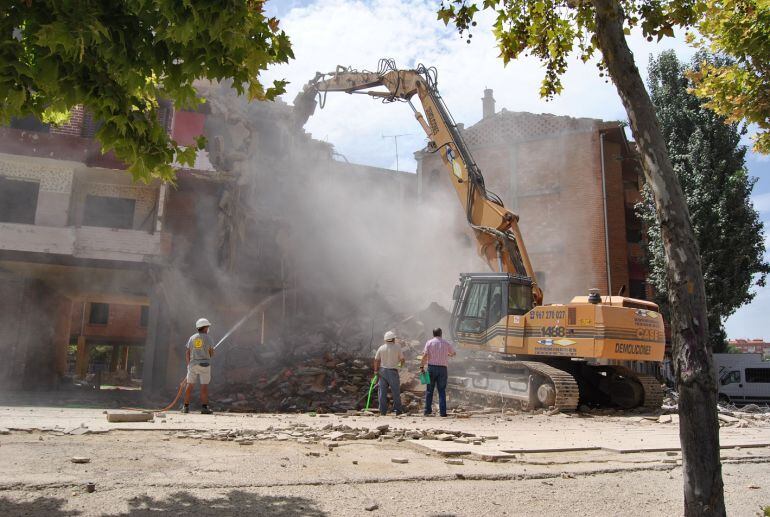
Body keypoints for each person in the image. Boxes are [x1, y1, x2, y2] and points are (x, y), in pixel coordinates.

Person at [421, 327, 456, 417]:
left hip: (431, 368)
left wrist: (421, 366)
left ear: (433, 334)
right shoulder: (446, 343)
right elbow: (453, 353)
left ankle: (427, 411)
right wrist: (448, 354)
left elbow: (425, 355)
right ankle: (443, 413)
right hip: (442, 370)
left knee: (429, 390)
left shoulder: (429, 342)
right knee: (441, 391)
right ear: (441, 334)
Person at [183, 317, 215, 414]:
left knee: (189, 385)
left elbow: (187, 352)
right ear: (205, 328)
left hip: (193, 365)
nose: (208, 329)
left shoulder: (192, 338)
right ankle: (204, 408)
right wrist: (211, 351)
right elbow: (211, 354)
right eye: (208, 327)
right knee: (204, 387)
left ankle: (185, 407)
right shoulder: (209, 338)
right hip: (205, 365)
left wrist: (189, 365)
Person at [373, 330, 405, 416]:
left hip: (382, 371)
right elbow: (402, 360)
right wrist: (400, 366)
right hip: (393, 371)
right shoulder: (397, 347)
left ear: (385, 339)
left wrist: (375, 371)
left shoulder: (381, 347)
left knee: (382, 392)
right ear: (393, 339)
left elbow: (376, 360)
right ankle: (398, 411)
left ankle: (383, 411)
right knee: (396, 392)